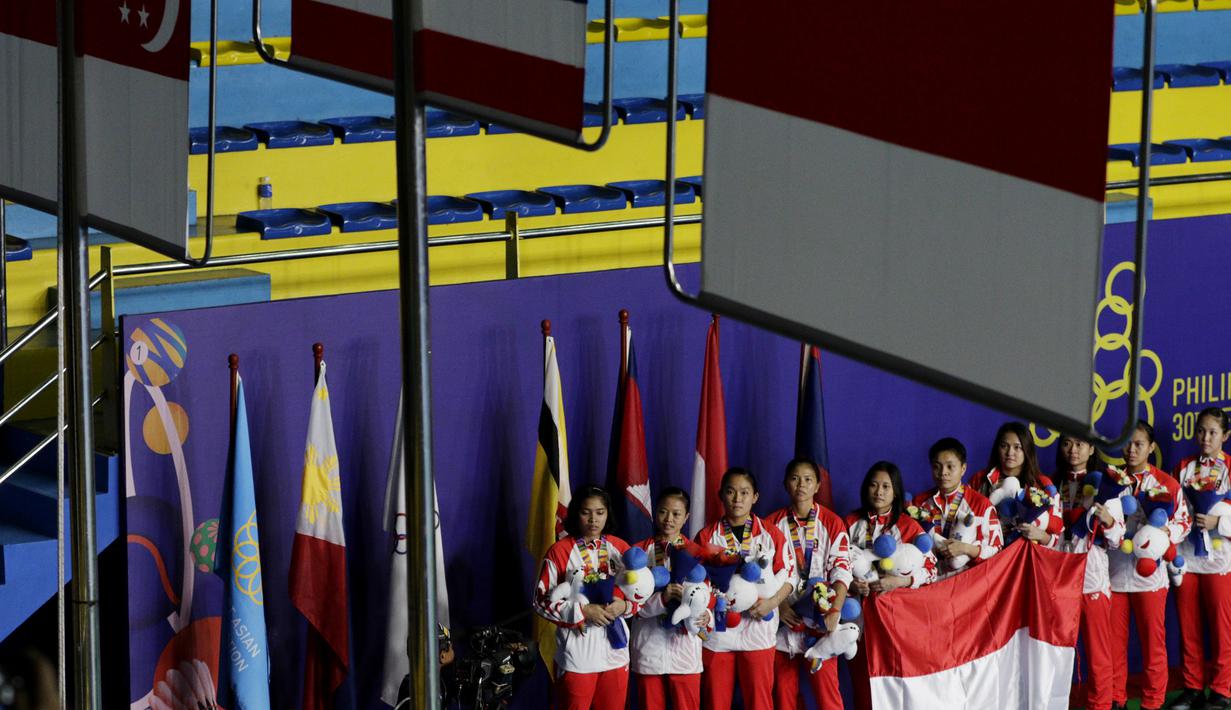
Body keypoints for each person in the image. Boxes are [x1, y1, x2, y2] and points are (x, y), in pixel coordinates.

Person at [695, 468, 796, 710]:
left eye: (744, 492)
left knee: (759, 702)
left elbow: (790, 576)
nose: (737, 499)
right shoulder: (707, 535)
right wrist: (712, 604)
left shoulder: (771, 533)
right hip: (719, 632)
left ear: (755, 497)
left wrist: (772, 604)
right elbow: (698, 580)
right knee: (715, 701)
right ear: (721, 495)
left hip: (758, 627)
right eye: (731, 492)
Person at [1107, 422, 1190, 710]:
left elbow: (1183, 521)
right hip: (1115, 571)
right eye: (1127, 443)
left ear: (1151, 447)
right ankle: (1116, 698)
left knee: (1153, 644)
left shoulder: (1167, 484)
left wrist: (1161, 535)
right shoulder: (1112, 480)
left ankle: (1153, 702)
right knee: (1113, 644)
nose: (1131, 450)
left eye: (1138, 444)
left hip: (1150, 576)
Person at [533, 485, 639, 710]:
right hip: (577, 656)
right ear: (575, 514)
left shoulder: (620, 548)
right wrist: (582, 611)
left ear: (607, 513)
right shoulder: (559, 551)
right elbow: (540, 601)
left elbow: (641, 593)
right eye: (586, 512)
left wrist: (625, 606)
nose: (593, 519)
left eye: (600, 512)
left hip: (616, 653)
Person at [845, 461, 937, 710]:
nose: (879, 491)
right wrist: (853, 584)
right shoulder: (851, 522)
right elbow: (836, 565)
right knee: (863, 682)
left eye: (886, 486)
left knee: (896, 683)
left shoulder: (908, 526)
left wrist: (901, 580)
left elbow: (932, 570)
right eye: (874, 485)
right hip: (859, 618)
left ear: (896, 491)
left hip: (898, 621)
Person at [765, 458, 853, 709]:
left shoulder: (833, 522)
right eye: (794, 478)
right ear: (785, 484)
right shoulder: (771, 524)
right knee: (783, 696)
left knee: (828, 697)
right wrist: (779, 607)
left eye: (807, 479)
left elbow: (842, 570)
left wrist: (834, 609)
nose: (801, 485)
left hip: (821, 618)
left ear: (817, 485)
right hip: (785, 619)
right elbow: (765, 575)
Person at [1055, 434, 1124, 710]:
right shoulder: (1051, 485)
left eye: (1080, 444)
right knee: (1059, 657)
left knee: (1098, 656)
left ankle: (1101, 706)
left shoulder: (1105, 485)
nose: (1073, 450)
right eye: (1067, 443)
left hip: (1093, 581)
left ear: (1092, 448)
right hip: (1059, 582)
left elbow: (1117, 538)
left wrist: (1107, 520)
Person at [1170, 408, 1231, 710]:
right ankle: (1193, 687)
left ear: (1225, 436)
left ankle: (1222, 690)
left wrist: (1218, 523)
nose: (1206, 438)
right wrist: (1185, 520)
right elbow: (1171, 508)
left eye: (1213, 432)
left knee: (1222, 628)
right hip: (1187, 557)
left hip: (1220, 558)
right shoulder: (1183, 467)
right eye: (1202, 431)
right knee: (1188, 624)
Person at [630, 487, 711, 710]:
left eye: (676, 514)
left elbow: (708, 596)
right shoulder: (638, 553)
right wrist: (663, 599)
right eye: (663, 512)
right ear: (655, 513)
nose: (668, 519)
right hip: (649, 645)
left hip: (684, 647)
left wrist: (706, 615)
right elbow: (632, 606)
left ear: (686, 517)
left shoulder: (697, 553)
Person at [911, 437, 1003, 580]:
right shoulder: (919, 502)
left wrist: (965, 548)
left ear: (963, 468)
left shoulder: (981, 504)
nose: (943, 473)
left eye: (950, 466)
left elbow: (996, 549)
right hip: (928, 583)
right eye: (937, 466)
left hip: (965, 584)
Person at [971, 421, 1063, 547]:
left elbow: (1057, 535)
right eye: (1004, 446)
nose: (1010, 453)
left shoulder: (1043, 484)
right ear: (997, 448)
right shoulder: (980, 479)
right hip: (988, 557)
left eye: (1017, 447)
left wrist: (1040, 535)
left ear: (1027, 450)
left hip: (1024, 558)